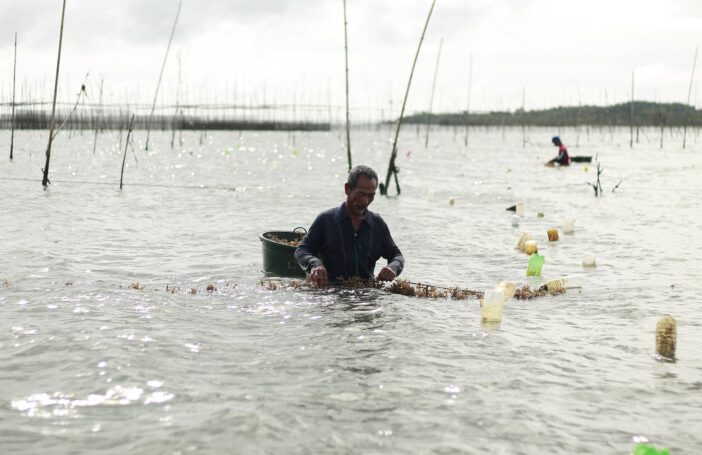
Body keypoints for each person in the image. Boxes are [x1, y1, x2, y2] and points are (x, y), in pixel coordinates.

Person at [294, 165, 404, 286]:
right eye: (361, 194)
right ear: (347, 189)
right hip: (330, 295)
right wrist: (316, 264)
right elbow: (301, 251)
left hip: (365, 296)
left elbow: (396, 256)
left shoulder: (377, 224)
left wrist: (393, 268)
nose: (365, 201)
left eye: (371, 196)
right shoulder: (326, 220)